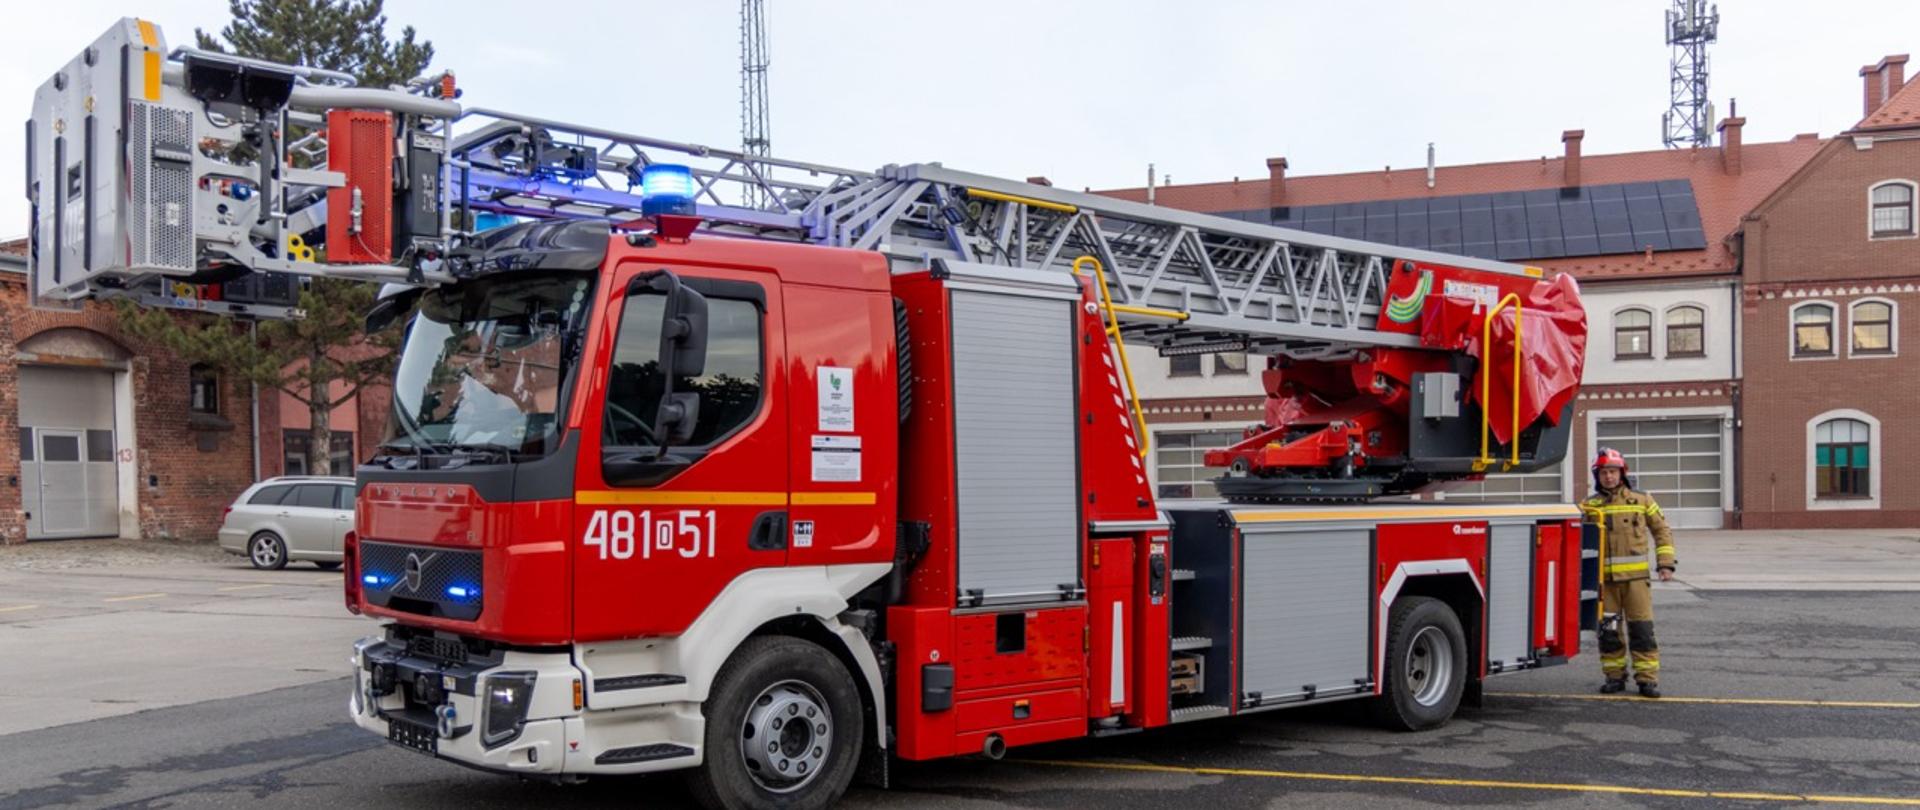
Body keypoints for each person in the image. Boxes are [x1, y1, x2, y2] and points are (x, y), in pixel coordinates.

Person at [1581, 448, 1676, 698]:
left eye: (1613, 472)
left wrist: (1665, 563)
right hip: (1605, 583)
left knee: (1641, 630)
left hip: (1636, 582)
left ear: (1622, 473)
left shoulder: (1642, 500)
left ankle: (1647, 680)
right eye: (1604, 473)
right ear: (1597, 475)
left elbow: (1662, 531)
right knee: (1609, 632)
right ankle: (1614, 677)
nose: (1609, 477)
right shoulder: (1589, 505)